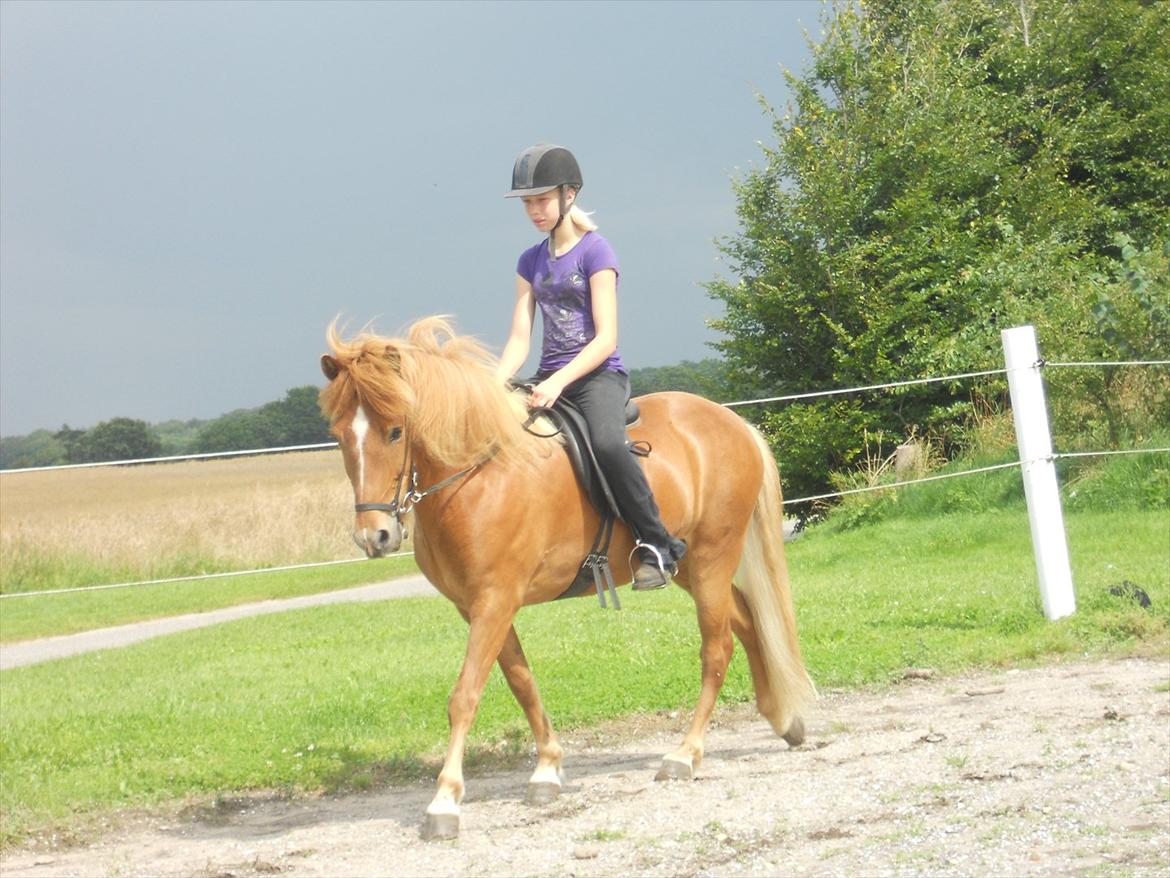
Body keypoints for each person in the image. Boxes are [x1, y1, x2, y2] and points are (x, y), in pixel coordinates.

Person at [495, 143, 686, 590]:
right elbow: (519, 339)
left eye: (541, 200)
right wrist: (492, 384)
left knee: (606, 443)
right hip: (548, 380)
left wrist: (560, 381)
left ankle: (658, 544)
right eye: (527, 202)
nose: (534, 210)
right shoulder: (529, 262)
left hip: (597, 378)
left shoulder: (596, 252)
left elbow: (606, 339)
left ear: (570, 194)